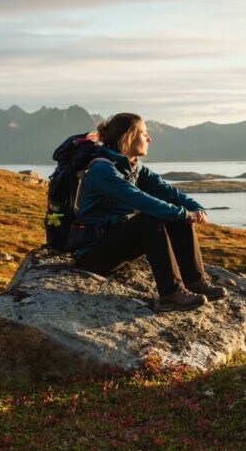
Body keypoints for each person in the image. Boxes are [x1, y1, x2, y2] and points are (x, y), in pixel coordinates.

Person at [69, 112, 226, 311]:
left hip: (115, 242)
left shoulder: (133, 166)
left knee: (176, 217)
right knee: (150, 219)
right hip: (93, 253)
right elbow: (141, 200)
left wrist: (194, 207)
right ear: (128, 137)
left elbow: (166, 191)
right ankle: (171, 294)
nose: (149, 139)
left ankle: (195, 281)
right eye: (144, 134)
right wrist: (184, 213)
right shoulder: (104, 171)